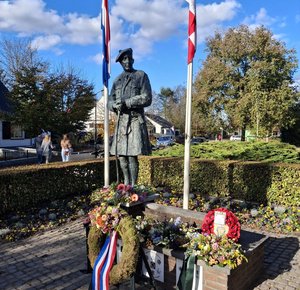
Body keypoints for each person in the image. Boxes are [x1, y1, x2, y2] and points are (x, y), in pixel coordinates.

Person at [108, 48, 152, 186]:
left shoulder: (141, 75)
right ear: (120, 62)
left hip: (134, 120)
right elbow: (110, 100)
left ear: (132, 59)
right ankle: (125, 184)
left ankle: (134, 185)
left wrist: (127, 102)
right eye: (123, 59)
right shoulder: (117, 80)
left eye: (128, 58)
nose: (126, 61)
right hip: (121, 121)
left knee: (132, 156)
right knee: (122, 156)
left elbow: (147, 98)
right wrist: (114, 105)